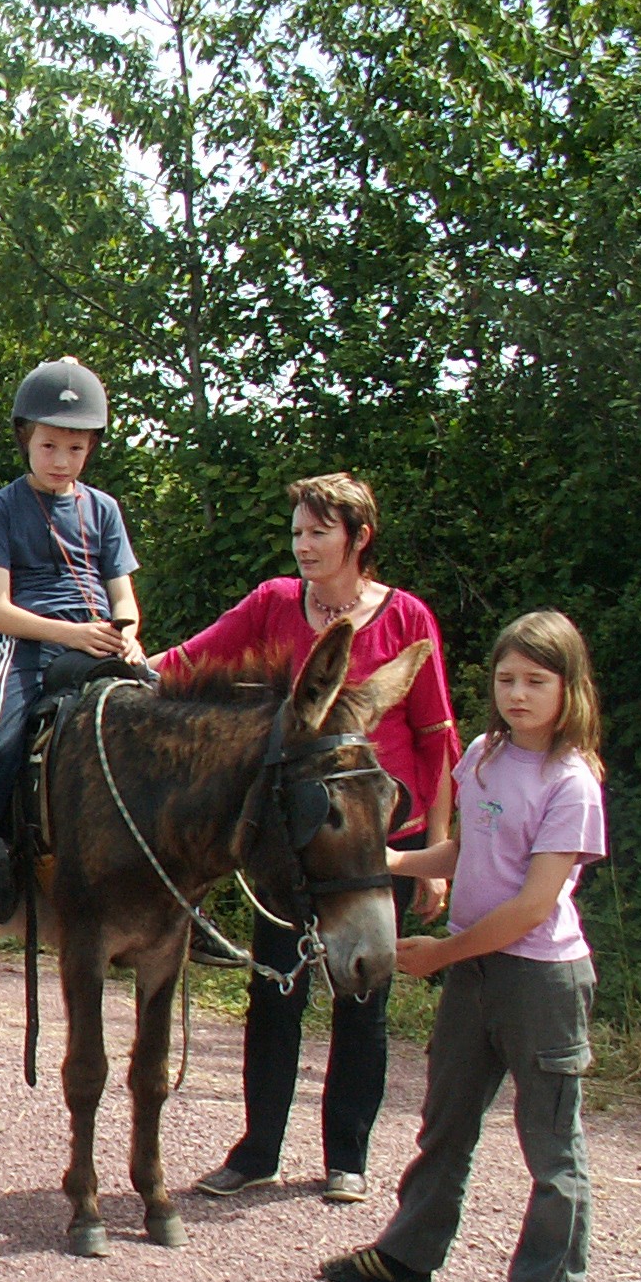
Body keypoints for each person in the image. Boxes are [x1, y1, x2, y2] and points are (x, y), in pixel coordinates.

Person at [164, 473, 462, 1204]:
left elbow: (438, 738)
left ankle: (346, 1159)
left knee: (363, 996)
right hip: (290, 839)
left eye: (317, 533)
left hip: (377, 838)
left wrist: (439, 859)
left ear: (358, 538)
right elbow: (190, 660)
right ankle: (257, 1151)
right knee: (276, 991)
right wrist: (127, 671)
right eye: (297, 532)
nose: (302, 545)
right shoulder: (273, 604)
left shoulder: (407, 617)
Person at [320, 611, 605, 1282]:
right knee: (444, 1123)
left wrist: (441, 955)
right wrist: (392, 863)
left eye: (535, 682)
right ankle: (408, 1256)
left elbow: (534, 903)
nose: (517, 694)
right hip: (473, 972)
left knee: (550, 1142)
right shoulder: (481, 754)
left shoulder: (572, 783)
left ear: (569, 689)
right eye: (507, 679)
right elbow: (464, 857)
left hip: (541, 979)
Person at [0, 357, 146, 971]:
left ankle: (174, 900)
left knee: (171, 731)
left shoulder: (103, 510)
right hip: (29, 647)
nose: (61, 460)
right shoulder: (2, 508)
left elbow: (122, 593)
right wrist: (70, 634)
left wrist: (128, 636)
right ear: (27, 439)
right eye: (49, 445)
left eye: (75, 447)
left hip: (98, 643)